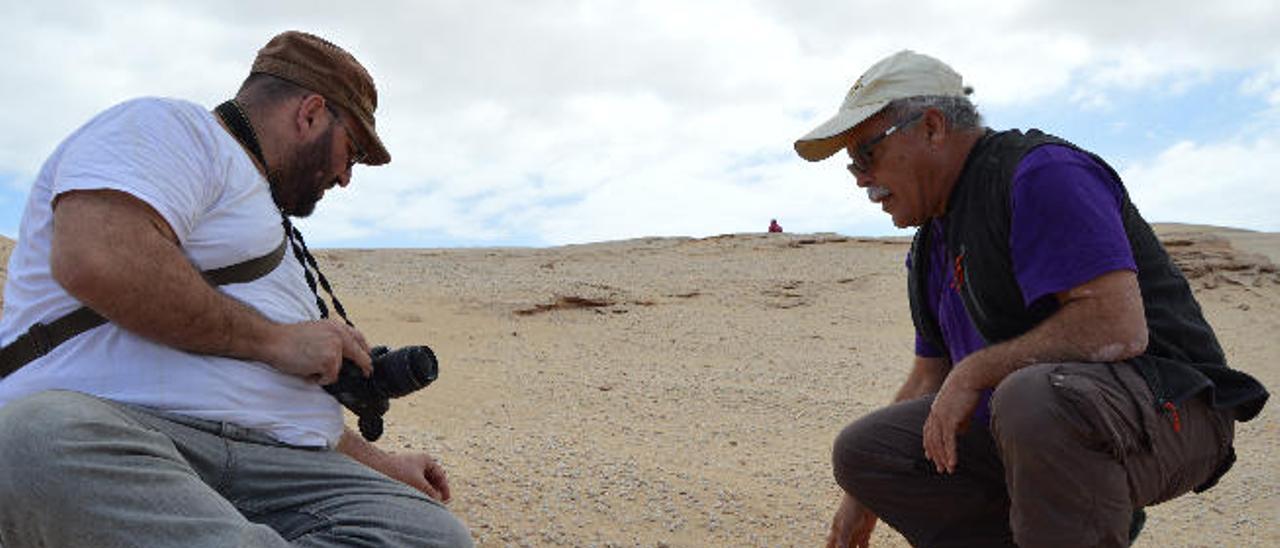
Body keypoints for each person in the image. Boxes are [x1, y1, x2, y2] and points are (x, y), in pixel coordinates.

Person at [0, 31, 472, 547]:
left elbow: (279, 405)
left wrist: (381, 464)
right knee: (35, 440)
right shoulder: (171, 129)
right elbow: (98, 256)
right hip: (126, 437)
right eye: (351, 151)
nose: (344, 177)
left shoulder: (274, 231)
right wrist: (276, 341)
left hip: (276, 468)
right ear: (311, 113)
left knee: (429, 533)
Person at [794, 50, 1268, 548]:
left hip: (1173, 409)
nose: (860, 177)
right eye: (852, 165)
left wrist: (975, 371)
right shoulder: (930, 243)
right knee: (867, 450)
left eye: (866, 154)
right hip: (1047, 420)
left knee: (1032, 398)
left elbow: (1117, 325)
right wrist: (856, 502)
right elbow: (927, 378)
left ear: (932, 127)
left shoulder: (1040, 173)